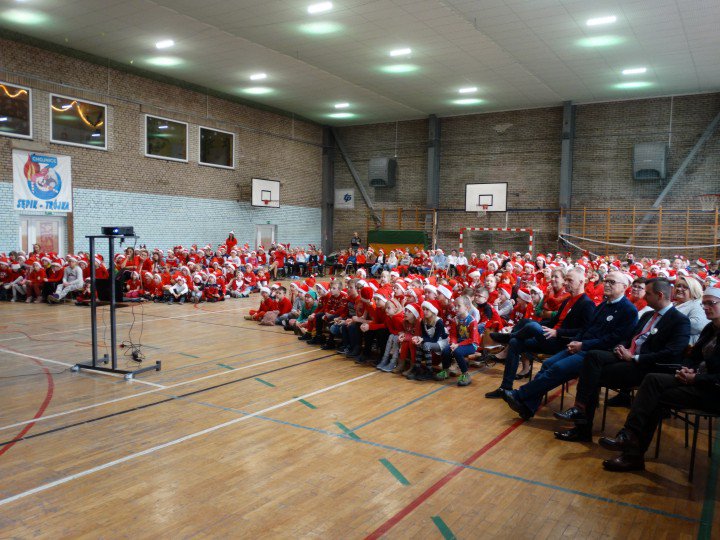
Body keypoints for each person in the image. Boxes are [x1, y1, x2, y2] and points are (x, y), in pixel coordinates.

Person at [598, 286, 720, 472]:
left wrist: (696, 378)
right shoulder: (710, 328)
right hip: (698, 380)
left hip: (713, 390)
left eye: (711, 303)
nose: (706, 307)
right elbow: (693, 356)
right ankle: (629, 439)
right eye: (704, 304)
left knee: (654, 395)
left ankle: (632, 449)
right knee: (653, 381)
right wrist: (688, 368)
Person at [553, 278, 691, 442]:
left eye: (647, 293)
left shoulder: (679, 320)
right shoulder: (647, 315)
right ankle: (580, 410)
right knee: (593, 356)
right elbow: (630, 337)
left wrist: (634, 357)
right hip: (627, 357)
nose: (644, 296)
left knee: (592, 374)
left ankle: (582, 425)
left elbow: (672, 353)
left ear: (660, 295)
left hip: (646, 365)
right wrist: (621, 347)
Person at [501, 271, 638, 420]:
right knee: (547, 364)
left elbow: (613, 339)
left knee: (557, 367)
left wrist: (582, 344)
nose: (607, 284)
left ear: (624, 287)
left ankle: (519, 395)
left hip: (595, 353)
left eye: (612, 282)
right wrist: (575, 342)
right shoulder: (604, 305)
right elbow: (586, 328)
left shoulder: (628, 310)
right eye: (606, 281)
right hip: (580, 345)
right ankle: (528, 407)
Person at [485, 268, 595, 398]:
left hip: (562, 342)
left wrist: (558, 332)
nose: (566, 283)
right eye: (565, 280)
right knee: (518, 338)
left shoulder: (587, 304)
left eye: (570, 280)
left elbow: (584, 331)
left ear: (581, 282)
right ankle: (505, 387)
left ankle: (509, 337)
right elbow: (552, 321)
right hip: (549, 337)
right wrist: (540, 326)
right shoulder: (567, 301)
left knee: (532, 326)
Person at [435, 295, 479, 386]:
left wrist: (458, 345)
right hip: (458, 343)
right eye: (455, 306)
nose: (455, 308)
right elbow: (453, 335)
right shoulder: (455, 319)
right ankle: (445, 370)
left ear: (467, 307)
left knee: (457, 352)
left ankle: (465, 374)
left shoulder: (472, 321)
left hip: (471, 344)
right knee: (445, 350)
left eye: (459, 306)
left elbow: (473, 339)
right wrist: (453, 343)